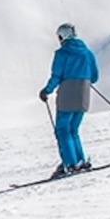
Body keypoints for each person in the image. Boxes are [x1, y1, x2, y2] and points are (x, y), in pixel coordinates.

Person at [38, 24, 99, 177]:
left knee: (63, 130)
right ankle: (80, 160)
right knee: (73, 129)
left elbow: (56, 76)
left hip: (67, 94)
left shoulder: (62, 53)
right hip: (83, 95)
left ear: (62, 36)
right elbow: (94, 77)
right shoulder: (88, 53)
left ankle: (71, 164)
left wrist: (46, 91)